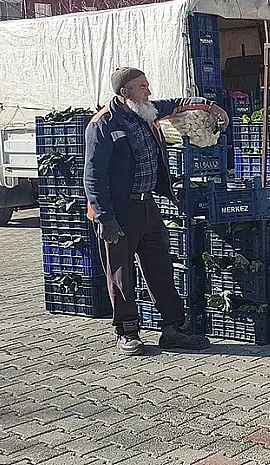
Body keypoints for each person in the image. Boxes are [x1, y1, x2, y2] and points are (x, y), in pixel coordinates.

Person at [84, 67, 229, 355]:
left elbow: (177, 104)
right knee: (121, 275)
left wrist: (212, 107)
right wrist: (105, 217)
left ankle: (173, 329)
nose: (149, 91)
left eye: (147, 85)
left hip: (148, 205)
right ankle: (127, 333)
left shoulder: (146, 111)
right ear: (125, 92)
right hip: (118, 212)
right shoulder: (103, 125)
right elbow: (93, 176)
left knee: (161, 269)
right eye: (142, 87)